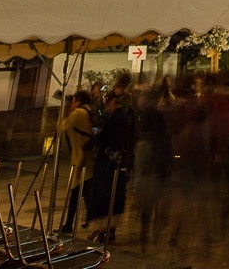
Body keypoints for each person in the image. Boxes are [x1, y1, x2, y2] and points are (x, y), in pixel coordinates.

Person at [85, 90, 136, 242]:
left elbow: (101, 138)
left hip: (106, 161)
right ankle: (111, 230)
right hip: (119, 161)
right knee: (116, 196)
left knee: (103, 197)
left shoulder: (111, 119)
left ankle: (101, 231)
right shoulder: (127, 118)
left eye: (108, 100)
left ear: (113, 101)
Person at [131, 86, 173, 250]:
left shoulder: (148, 113)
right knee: (153, 199)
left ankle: (146, 230)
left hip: (150, 161)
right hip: (154, 163)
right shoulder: (155, 113)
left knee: (148, 199)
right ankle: (151, 230)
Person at [57, 90, 95, 234]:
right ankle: (90, 220)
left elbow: (62, 127)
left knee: (76, 191)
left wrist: (64, 112)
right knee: (83, 191)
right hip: (85, 157)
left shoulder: (78, 113)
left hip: (81, 158)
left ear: (77, 101)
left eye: (72, 100)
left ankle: (69, 224)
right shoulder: (88, 111)